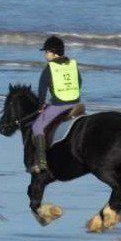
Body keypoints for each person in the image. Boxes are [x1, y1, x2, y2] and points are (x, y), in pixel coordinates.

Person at [30, 35, 82, 174]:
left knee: (37, 126)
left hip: (60, 105)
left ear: (53, 53)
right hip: (76, 103)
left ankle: (41, 162)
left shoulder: (50, 68)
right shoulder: (72, 65)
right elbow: (79, 82)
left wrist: (41, 105)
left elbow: (42, 90)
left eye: (46, 52)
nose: (45, 55)